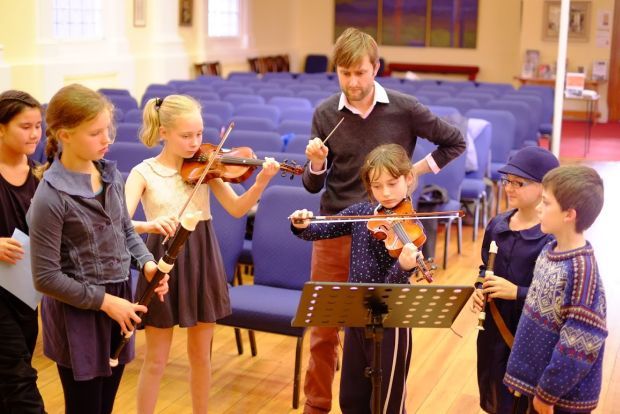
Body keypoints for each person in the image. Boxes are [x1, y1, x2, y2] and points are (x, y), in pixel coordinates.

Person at [301, 27, 466, 413]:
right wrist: (316, 162)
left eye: (360, 72)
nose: (353, 82)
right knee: (324, 330)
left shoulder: (405, 108)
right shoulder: (326, 113)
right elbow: (311, 185)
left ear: (375, 68)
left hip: (387, 235)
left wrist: (415, 173)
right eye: (345, 73)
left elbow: (454, 141)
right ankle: (317, 404)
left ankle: (379, 403)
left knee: (379, 331)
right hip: (336, 228)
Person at [124, 94, 280, 414]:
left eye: (199, 134)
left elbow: (237, 209)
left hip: (201, 254)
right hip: (160, 259)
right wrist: (150, 224)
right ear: (163, 132)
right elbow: (122, 224)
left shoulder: (205, 166)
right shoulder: (144, 172)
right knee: (155, 360)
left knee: (201, 358)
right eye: (186, 136)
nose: (196, 143)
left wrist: (262, 181)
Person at [27, 84, 169, 414]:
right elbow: (45, 278)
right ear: (64, 135)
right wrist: (107, 303)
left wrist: (147, 264)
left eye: (108, 130)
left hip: (118, 299)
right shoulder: (50, 197)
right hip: (79, 308)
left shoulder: (110, 175)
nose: (107, 139)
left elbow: (124, 230)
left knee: (104, 405)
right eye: (95, 133)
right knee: (85, 407)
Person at [291, 144, 423, 413]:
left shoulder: (412, 228)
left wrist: (403, 266)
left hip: (391, 320)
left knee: (388, 402)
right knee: (351, 398)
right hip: (355, 314)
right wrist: (301, 224)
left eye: (392, 183)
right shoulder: (361, 213)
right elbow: (318, 230)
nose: (385, 193)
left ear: (408, 179)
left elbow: (392, 285)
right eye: (377, 186)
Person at [504, 165, 607, 414]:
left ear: (569, 215)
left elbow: (580, 344)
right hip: (540, 387)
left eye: (546, 203)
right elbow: (535, 315)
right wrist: (522, 375)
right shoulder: (550, 251)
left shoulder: (582, 271)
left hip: (561, 398)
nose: (538, 208)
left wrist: (546, 395)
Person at [471, 146, 559, 413]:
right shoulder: (497, 225)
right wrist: (478, 289)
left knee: (520, 400)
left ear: (544, 188)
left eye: (519, 183)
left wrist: (517, 292)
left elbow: (556, 296)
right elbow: (484, 268)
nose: (509, 187)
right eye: (507, 181)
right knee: (494, 390)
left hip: (528, 332)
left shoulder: (551, 237)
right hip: (493, 330)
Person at [0, 90, 46, 413]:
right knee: (20, 384)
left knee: (10, 379)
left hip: (25, 294)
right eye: (25, 126)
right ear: (1, 128)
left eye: (38, 126)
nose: (34, 134)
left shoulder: (42, 177)